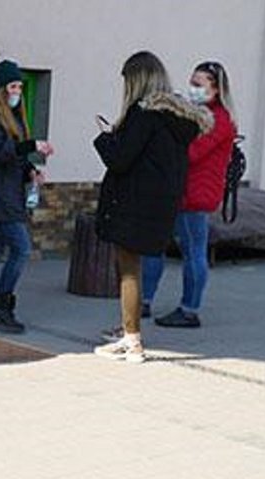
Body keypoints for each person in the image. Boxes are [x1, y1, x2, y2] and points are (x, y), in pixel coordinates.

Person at [93, 52, 212, 362]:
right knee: (136, 268)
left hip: (133, 203)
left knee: (129, 271)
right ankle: (128, 332)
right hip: (161, 205)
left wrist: (105, 139)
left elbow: (121, 159)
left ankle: (131, 342)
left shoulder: (143, 115)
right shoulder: (178, 119)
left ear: (137, 81)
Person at [141, 61, 239, 328]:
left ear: (216, 89)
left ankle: (189, 309)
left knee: (193, 252)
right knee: (153, 247)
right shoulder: (198, 113)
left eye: (199, 84)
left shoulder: (219, 120)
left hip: (194, 195)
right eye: (192, 82)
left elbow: (190, 153)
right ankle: (143, 301)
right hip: (176, 190)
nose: (192, 88)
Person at [0, 59, 54, 334]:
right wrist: (30, 146)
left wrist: (31, 169)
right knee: (21, 248)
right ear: (1, 89)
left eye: (20, 85)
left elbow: (14, 155)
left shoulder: (13, 116)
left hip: (6, 193)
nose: (18, 91)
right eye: (13, 86)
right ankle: (2, 304)